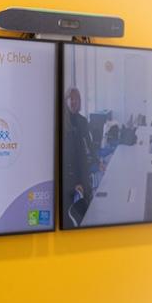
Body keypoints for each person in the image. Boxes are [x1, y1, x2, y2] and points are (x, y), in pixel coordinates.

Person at [62, 87, 98, 227]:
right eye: (70, 98)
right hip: (69, 178)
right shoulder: (62, 122)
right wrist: (74, 183)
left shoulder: (82, 121)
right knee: (70, 217)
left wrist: (98, 161)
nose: (73, 101)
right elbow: (64, 157)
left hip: (83, 172)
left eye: (76, 98)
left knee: (88, 213)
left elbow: (89, 145)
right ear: (66, 100)